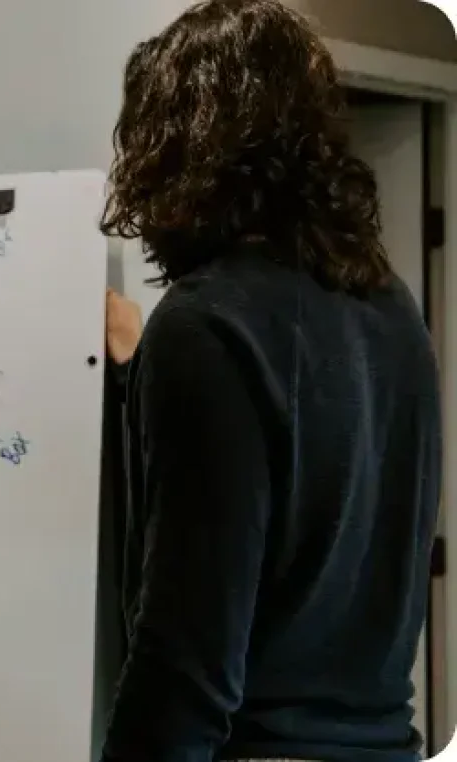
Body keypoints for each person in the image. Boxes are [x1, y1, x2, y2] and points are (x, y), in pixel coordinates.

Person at [97, 1, 440, 761]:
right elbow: (307, 470)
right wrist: (138, 367)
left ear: (174, 146)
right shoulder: (389, 306)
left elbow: (187, 659)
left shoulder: (206, 326)